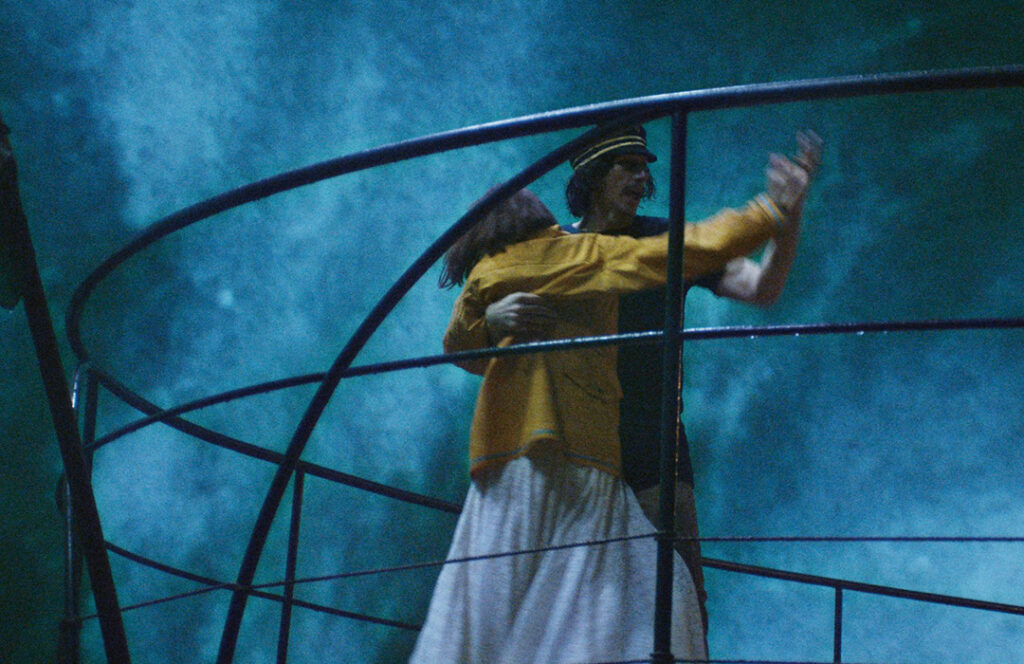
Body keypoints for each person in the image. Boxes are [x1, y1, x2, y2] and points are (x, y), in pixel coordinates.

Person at [444, 125, 822, 641]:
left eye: (645, 167)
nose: (642, 177)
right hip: (571, 450)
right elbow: (463, 334)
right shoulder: (554, 250)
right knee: (565, 601)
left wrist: (788, 213)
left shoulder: (666, 242)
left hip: (652, 448)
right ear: (593, 175)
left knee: (676, 602)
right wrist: (490, 323)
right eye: (627, 165)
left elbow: (762, 287)